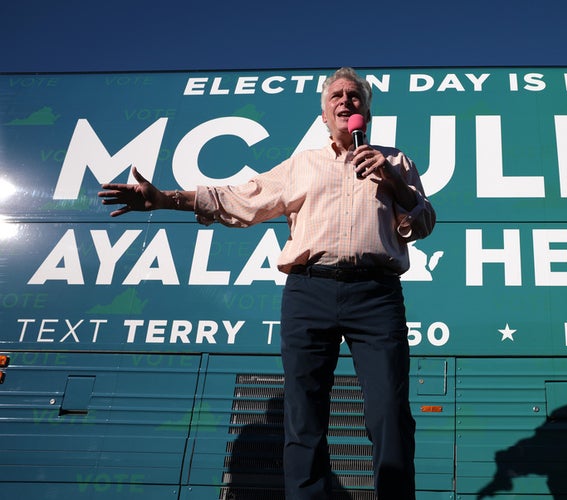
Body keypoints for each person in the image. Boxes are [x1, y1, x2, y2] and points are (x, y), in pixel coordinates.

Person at [99, 67, 436, 500]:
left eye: (355, 96)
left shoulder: (398, 161)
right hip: (308, 292)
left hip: (376, 295)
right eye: (337, 95)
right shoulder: (302, 165)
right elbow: (241, 199)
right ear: (324, 112)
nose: (346, 100)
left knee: (389, 411)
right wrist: (165, 199)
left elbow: (423, 222)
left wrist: (393, 182)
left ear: (366, 111)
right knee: (304, 413)